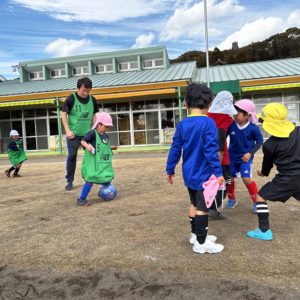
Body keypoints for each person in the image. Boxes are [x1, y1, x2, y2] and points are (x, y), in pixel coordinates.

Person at [166, 82, 225, 254]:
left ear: (186, 103)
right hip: (203, 174)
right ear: (209, 103)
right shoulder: (208, 123)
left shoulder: (183, 124)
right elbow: (211, 151)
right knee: (202, 208)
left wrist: (170, 169)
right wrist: (218, 172)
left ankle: (195, 234)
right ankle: (200, 242)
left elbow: (175, 148)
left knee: (194, 203)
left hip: (189, 173)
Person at [247, 103, 300, 240]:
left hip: (286, 179)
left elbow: (267, 166)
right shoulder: (298, 131)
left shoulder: (269, 145)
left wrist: (263, 173)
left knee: (260, 196)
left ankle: (264, 231)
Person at [226, 99, 263, 213]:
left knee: (246, 178)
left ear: (247, 115)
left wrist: (250, 153)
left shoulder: (253, 128)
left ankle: (256, 202)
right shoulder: (231, 126)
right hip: (232, 158)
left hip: (245, 159)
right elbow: (222, 136)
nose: (235, 116)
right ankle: (231, 199)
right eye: (233, 113)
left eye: (237, 114)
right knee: (229, 179)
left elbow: (260, 141)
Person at [61, 77, 99, 191]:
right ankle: (70, 180)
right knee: (72, 156)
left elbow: (94, 116)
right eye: (84, 90)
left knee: (93, 153)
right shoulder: (71, 98)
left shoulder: (93, 100)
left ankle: (94, 176)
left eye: (88, 90)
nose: (86, 93)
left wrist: (95, 130)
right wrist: (67, 130)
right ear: (79, 88)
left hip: (87, 134)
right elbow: (63, 114)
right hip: (73, 134)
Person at [207, 91, 237, 220]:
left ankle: (210, 206)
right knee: (225, 182)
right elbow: (222, 136)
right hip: (221, 156)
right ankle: (211, 207)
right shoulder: (228, 119)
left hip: (208, 155)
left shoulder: (207, 115)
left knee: (211, 182)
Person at [77, 112, 117, 206]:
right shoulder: (92, 133)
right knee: (90, 180)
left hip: (103, 163)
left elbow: (102, 147)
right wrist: (87, 146)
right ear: (99, 124)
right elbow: (83, 141)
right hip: (94, 163)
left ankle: (102, 192)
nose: (107, 129)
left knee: (107, 178)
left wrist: (111, 147)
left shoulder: (105, 136)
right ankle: (81, 199)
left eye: (108, 127)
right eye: (106, 127)